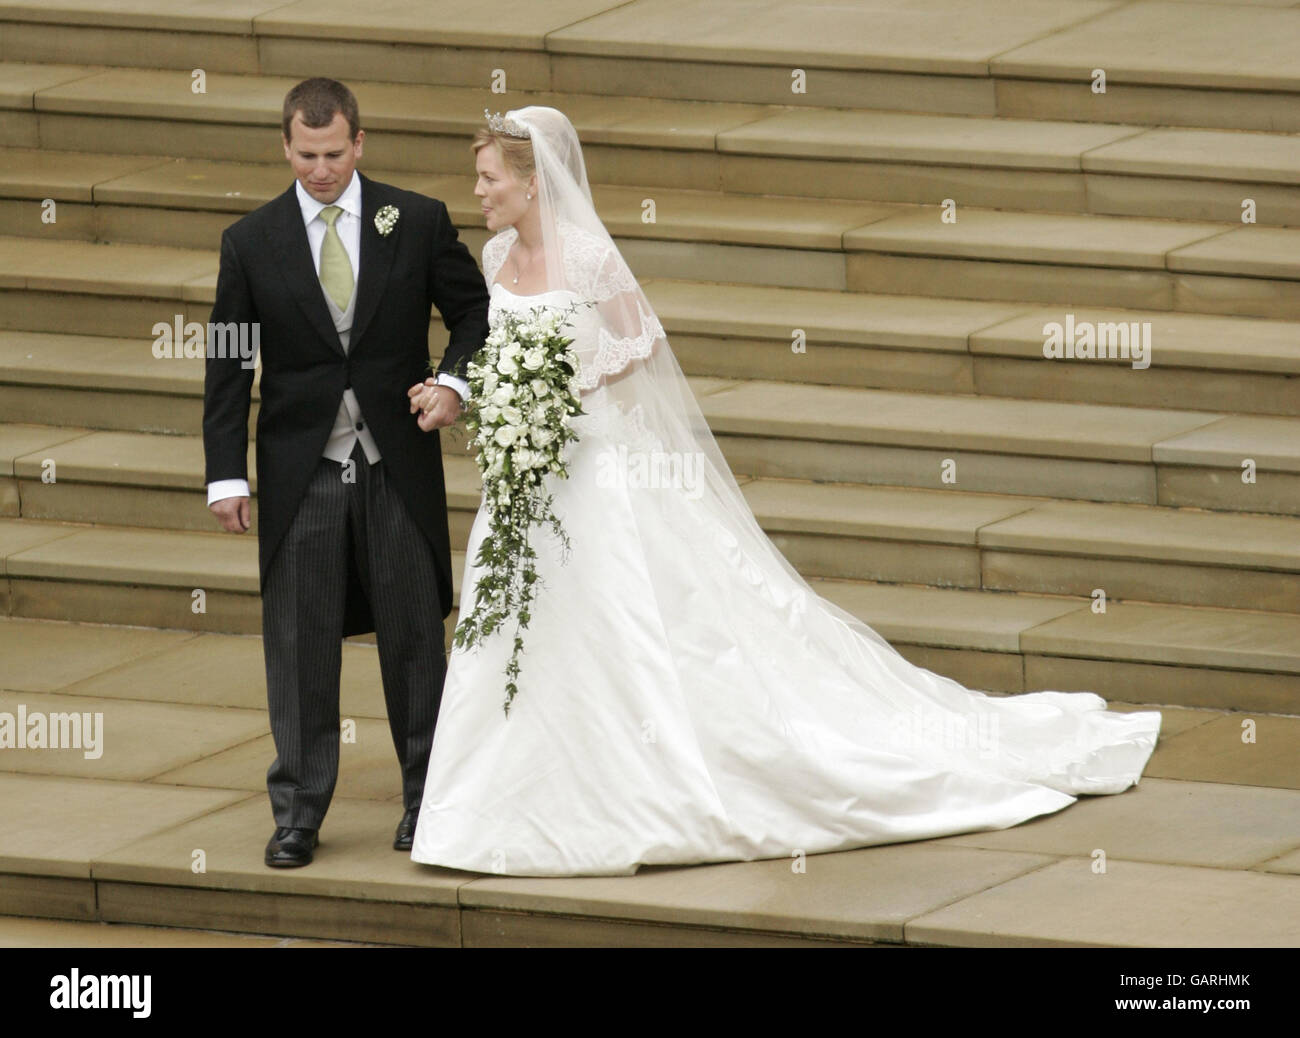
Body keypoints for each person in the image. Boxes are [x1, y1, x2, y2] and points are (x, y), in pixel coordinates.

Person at [407, 106, 1161, 877]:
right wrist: (481, 392)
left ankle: (635, 788)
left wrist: (562, 391)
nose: (479, 189)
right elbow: (496, 344)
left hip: (597, 467)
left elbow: (639, 341)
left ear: (534, 184)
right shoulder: (497, 252)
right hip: (529, 482)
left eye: (489, 176)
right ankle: (510, 798)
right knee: (515, 629)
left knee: (627, 624)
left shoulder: (591, 255)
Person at [203, 78, 489, 868]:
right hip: (304, 470)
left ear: (359, 144)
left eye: (334, 154)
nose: (321, 169)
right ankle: (298, 811)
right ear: (285, 147)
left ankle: (426, 799)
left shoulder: (417, 220)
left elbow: (475, 311)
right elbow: (228, 364)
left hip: (395, 462)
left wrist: (454, 382)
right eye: (306, 155)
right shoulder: (251, 242)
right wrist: (225, 473)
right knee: (297, 645)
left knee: (412, 638)